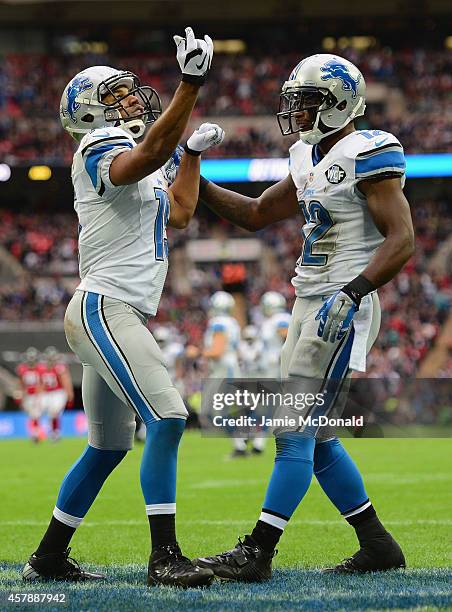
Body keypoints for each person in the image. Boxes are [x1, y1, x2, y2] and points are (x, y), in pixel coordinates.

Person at [194, 54, 414, 579]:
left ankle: (259, 552)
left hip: (342, 302)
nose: (296, 112)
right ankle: (378, 546)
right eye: (294, 101)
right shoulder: (307, 157)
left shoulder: (368, 152)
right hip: (309, 300)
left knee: (292, 428)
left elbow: (402, 240)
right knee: (313, 436)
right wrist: (190, 175)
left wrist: (355, 291)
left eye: (309, 101)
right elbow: (254, 213)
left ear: (342, 102)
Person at [23, 26, 224, 588]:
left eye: (129, 92)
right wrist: (189, 84)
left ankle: (48, 558)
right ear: (89, 114)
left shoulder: (142, 155)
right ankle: (165, 556)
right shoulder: (96, 147)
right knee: (169, 417)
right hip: (103, 307)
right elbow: (151, 150)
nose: (133, 99)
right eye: (116, 97)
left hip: (116, 311)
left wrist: (192, 156)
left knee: (108, 446)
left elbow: (180, 212)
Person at [39, 346, 74, 441]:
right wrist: (39, 394)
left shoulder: (60, 368)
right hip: (47, 393)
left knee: (54, 412)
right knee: (48, 413)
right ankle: (51, 431)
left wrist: (69, 394)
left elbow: (65, 380)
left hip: (58, 392)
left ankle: (55, 432)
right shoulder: (42, 368)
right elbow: (41, 383)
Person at [16, 347, 44, 443]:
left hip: (37, 395)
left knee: (35, 415)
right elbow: (21, 383)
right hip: (28, 396)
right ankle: (34, 433)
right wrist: (20, 394)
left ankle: (35, 434)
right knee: (31, 415)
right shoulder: (22, 369)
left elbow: (42, 383)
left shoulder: (40, 369)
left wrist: (40, 394)